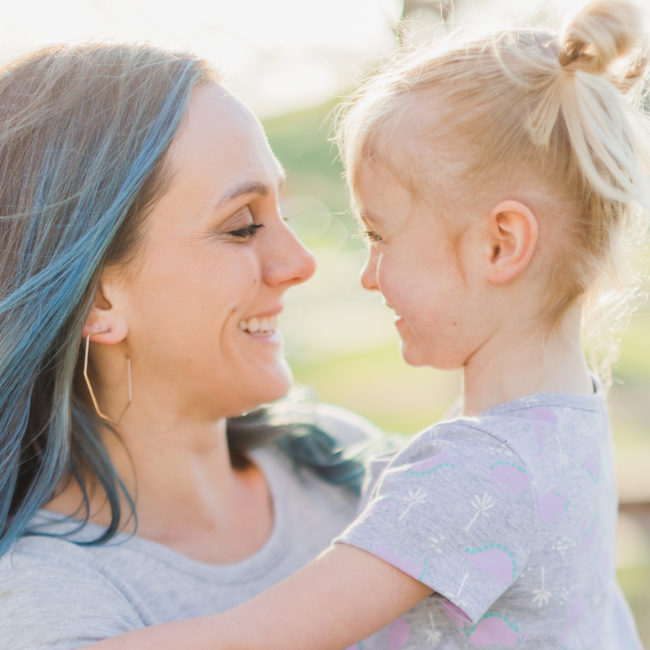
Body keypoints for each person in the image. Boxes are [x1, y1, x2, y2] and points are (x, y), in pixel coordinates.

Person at [86, 0, 648, 648]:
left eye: (380, 235)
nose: (368, 274)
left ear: (500, 244)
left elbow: (260, 637)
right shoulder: (568, 426)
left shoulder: (476, 474)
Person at [0, 43, 386, 649]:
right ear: (99, 302)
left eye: (283, 211)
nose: (299, 262)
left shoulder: (348, 461)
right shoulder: (45, 606)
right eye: (242, 226)